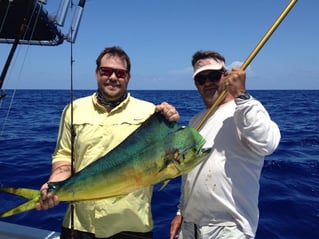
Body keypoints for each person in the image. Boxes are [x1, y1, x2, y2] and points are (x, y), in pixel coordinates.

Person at [35, 46, 179, 239]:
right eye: (106, 71)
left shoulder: (150, 112)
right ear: (97, 74)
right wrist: (55, 184)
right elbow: (64, 156)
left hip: (131, 225)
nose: (113, 77)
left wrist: (171, 119)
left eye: (120, 73)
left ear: (128, 77)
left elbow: (169, 156)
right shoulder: (74, 109)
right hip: (80, 224)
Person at [170, 50, 281, 239]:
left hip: (229, 229)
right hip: (190, 227)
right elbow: (189, 172)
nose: (208, 83)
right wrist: (181, 212)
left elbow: (267, 143)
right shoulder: (195, 121)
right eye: (201, 79)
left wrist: (242, 95)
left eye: (213, 76)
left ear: (226, 76)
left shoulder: (246, 109)